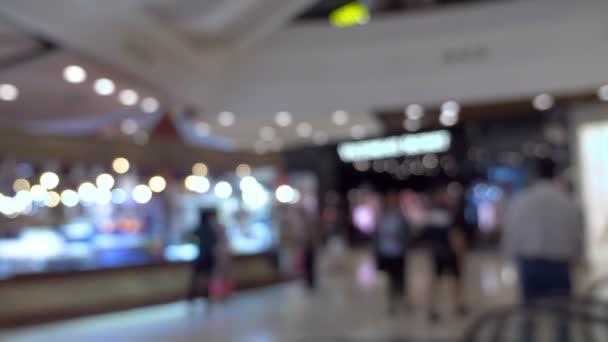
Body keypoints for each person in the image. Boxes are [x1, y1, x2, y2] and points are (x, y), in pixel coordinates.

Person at [503, 158, 582, 342]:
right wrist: (576, 258)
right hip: (559, 266)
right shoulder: (566, 200)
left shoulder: (522, 199)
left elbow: (512, 231)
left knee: (529, 317)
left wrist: (509, 258)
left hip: (530, 265)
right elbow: (574, 232)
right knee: (562, 319)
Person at [425, 183, 468, 323]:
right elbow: (455, 235)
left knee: (448, 280)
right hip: (446, 251)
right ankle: (449, 306)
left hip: (440, 250)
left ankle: (451, 305)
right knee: (445, 280)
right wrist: (460, 252)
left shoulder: (436, 213)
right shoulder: (448, 214)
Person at [374, 192, 411, 315]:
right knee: (390, 279)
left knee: (400, 278)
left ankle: (403, 301)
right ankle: (392, 303)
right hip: (386, 252)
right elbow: (377, 235)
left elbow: (407, 234)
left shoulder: (401, 217)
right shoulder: (382, 217)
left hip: (399, 252)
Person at [188, 209, 218, 306]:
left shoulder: (198, 229)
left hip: (200, 257)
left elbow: (193, 241)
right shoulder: (210, 230)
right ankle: (206, 297)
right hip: (208, 257)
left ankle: (192, 297)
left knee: (196, 279)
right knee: (207, 279)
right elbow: (214, 241)